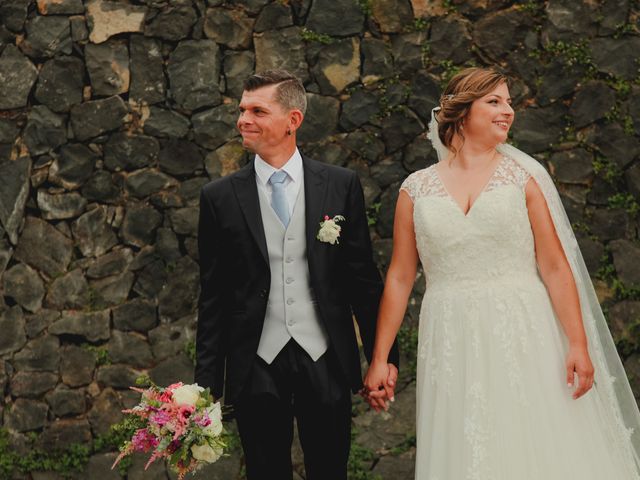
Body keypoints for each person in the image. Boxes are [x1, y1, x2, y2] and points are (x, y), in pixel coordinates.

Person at [363, 67, 640, 479]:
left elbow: (554, 266)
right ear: (461, 110)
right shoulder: (414, 190)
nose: (507, 111)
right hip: (450, 334)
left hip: (525, 329)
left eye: (509, 102)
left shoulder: (523, 180)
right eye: (494, 101)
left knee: (535, 439)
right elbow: (401, 277)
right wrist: (380, 358)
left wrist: (578, 344)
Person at [195, 69, 399, 480]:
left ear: (293, 120)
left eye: (257, 110)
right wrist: (204, 390)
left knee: (330, 469)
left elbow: (363, 281)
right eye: (241, 110)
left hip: (324, 356)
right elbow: (213, 297)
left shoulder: (340, 186)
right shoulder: (218, 198)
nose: (243, 120)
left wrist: (384, 360)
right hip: (256, 361)